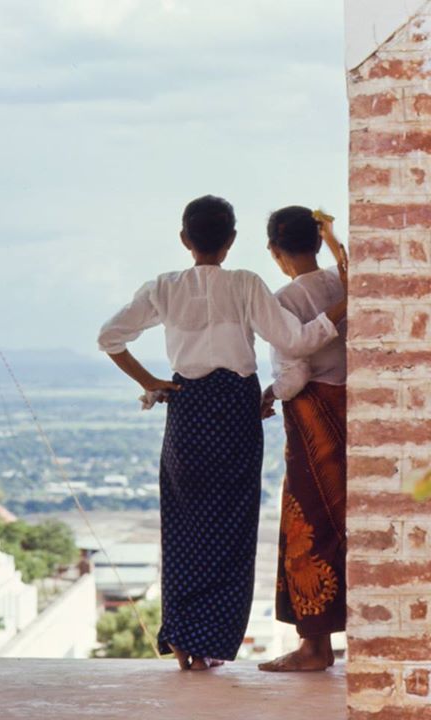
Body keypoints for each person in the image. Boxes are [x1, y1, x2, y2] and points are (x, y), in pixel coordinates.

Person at [97, 196, 347, 672]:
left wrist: (149, 381)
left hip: (187, 411)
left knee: (183, 526)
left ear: (184, 240)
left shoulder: (163, 288)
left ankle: (185, 643)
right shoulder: (246, 285)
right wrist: (339, 310)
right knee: (233, 530)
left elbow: (110, 337)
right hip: (236, 408)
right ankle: (214, 640)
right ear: (231, 242)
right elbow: (294, 342)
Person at [258, 206, 347, 673]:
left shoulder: (285, 300)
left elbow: (293, 375)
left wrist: (269, 393)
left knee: (308, 523)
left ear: (275, 252)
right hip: (354, 411)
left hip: (313, 419)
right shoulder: (343, 280)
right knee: (352, 520)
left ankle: (315, 646)